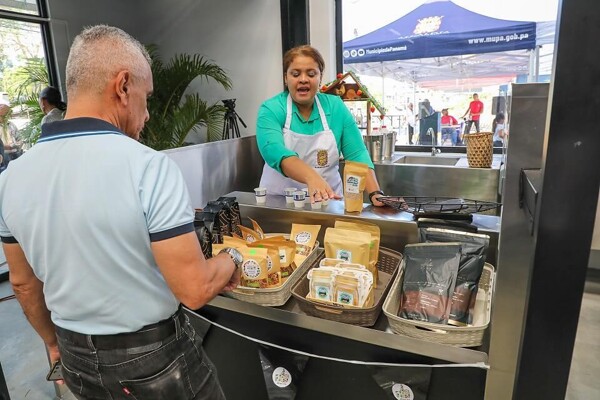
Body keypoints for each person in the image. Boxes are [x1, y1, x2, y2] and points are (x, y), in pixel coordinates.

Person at [0, 25, 240, 399]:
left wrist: (52, 342)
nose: (146, 115)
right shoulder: (147, 167)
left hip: (74, 356)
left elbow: (22, 283)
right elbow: (195, 289)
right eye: (146, 97)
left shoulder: (11, 178)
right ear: (123, 86)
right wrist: (232, 258)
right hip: (153, 362)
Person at [256, 45, 386, 206]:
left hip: (328, 204)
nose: (303, 79)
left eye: (311, 74)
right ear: (285, 77)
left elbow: (357, 154)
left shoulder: (335, 107)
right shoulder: (272, 109)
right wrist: (312, 177)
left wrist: (376, 193)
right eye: (295, 74)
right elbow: (274, 151)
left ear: (320, 77)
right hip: (280, 204)